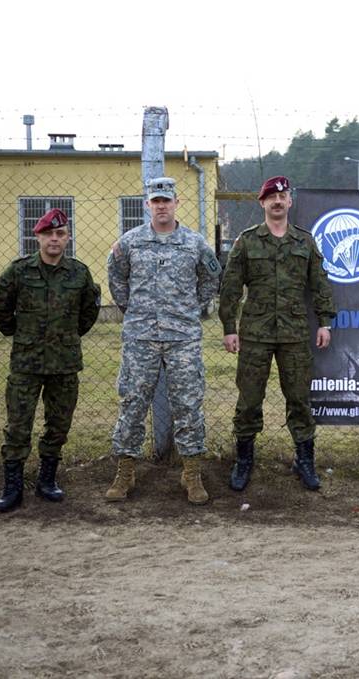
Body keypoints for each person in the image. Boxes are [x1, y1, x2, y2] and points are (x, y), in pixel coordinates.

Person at [105, 177, 222, 504]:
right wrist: (133, 309)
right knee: (133, 402)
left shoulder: (194, 243)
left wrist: (192, 308)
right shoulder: (130, 242)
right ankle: (125, 472)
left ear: (176, 203)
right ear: (147, 205)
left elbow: (212, 277)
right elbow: (116, 276)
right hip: (141, 337)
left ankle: (192, 473)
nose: (161, 206)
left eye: (166, 200)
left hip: (183, 338)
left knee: (188, 403)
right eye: (155, 201)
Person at [218, 175, 336, 492]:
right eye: (272, 197)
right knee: (249, 400)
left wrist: (325, 321)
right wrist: (229, 328)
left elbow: (320, 284)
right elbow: (230, 287)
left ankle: (304, 460)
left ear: (290, 202)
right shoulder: (246, 241)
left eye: (283, 197)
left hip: (294, 334)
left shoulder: (304, 242)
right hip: (255, 333)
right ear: (263, 203)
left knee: (299, 399)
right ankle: (244, 460)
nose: (278, 201)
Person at [0, 208, 100, 512]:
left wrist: (66, 336)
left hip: (64, 363)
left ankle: (47, 480)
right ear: (37, 237)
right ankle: (12, 487)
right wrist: (21, 334)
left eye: (60, 233)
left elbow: (88, 313)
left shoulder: (79, 273)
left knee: (59, 424)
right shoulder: (18, 271)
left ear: (67, 238)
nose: (54, 239)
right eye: (48, 233)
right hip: (27, 363)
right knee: (18, 425)